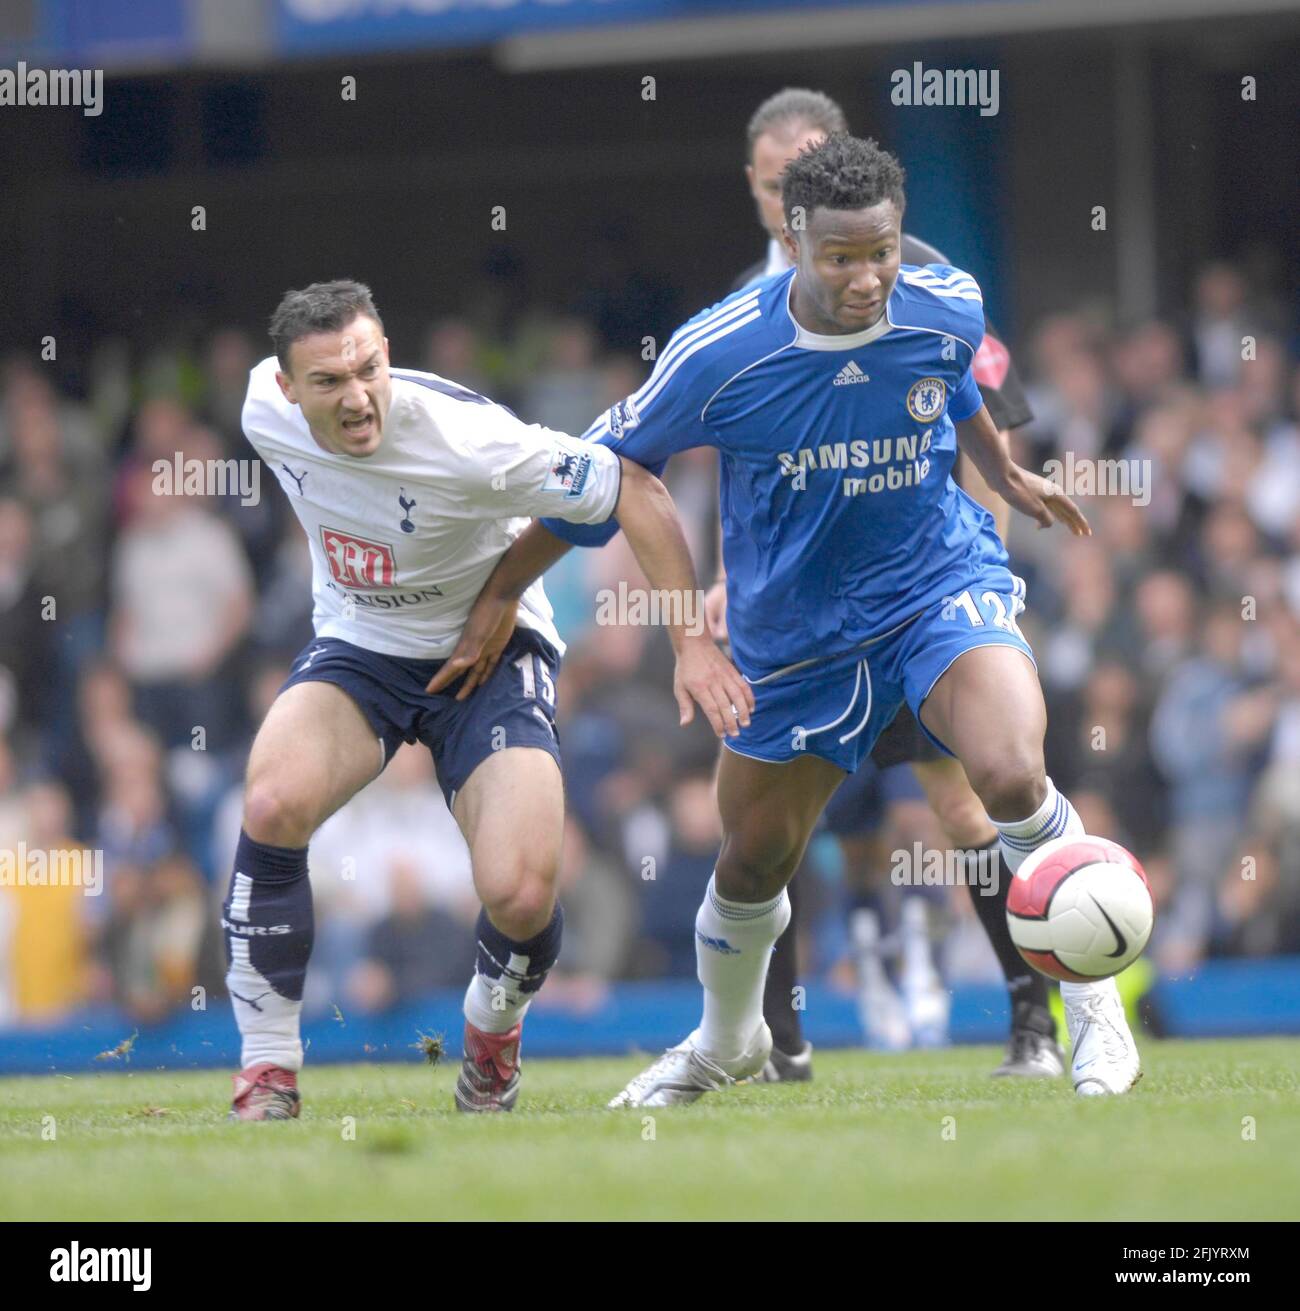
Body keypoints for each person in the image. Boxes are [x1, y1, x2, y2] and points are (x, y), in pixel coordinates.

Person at [438, 135, 1141, 1103]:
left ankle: (1097, 1023)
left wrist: (999, 467)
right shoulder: (720, 352)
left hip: (933, 586)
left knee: (1011, 771)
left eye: (882, 252)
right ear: (795, 238)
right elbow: (610, 473)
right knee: (753, 856)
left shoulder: (948, 300)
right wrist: (521, 590)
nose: (867, 278)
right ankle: (728, 1043)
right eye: (841, 258)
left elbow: (955, 383)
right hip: (795, 633)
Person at [226, 280, 749, 1119]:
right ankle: (267, 1071)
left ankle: (490, 1044)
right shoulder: (260, 406)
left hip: (493, 658)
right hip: (361, 646)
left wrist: (690, 642)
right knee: (271, 798)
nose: (356, 396)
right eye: (328, 383)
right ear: (288, 389)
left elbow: (636, 490)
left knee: (519, 888)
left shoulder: (472, 442)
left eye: (369, 369)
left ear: (388, 353)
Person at [727, 88, 1058, 1078]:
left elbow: (989, 420)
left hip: (921, 598)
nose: (796, 186)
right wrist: (715, 586)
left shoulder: (923, 281)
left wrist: (987, 580)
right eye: (777, 175)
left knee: (965, 807)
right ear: (757, 187)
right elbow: (737, 473)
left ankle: (1030, 1020)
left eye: (813, 164)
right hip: (799, 617)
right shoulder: (741, 313)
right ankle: (791, 1033)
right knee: (786, 827)